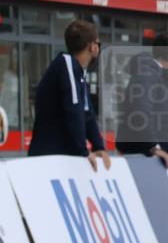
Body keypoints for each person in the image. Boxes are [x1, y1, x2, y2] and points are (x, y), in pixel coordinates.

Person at [27, 19, 111, 171]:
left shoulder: (77, 72)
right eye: (98, 43)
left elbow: (87, 113)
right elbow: (74, 109)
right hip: (49, 158)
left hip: (61, 157)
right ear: (92, 46)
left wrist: (99, 146)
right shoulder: (66, 64)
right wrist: (83, 150)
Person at [117, 33, 168, 168]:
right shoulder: (147, 74)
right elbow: (140, 111)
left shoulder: (154, 74)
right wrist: (154, 147)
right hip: (146, 155)